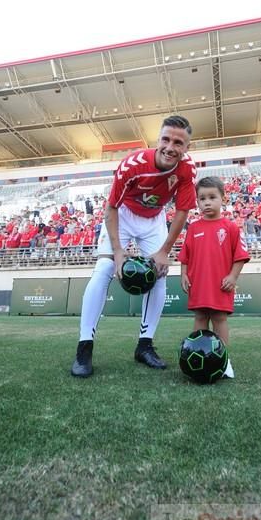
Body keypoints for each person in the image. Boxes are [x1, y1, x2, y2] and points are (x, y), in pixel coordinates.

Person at [71, 115, 197, 377]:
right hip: (124, 215)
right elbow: (111, 208)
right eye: (166, 139)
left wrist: (163, 251)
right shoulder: (132, 164)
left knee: (160, 274)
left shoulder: (187, 168)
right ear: (157, 139)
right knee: (104, 268)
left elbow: (183, 212)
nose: (170, 147)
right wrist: (118, 252)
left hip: (155, 218)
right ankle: (84, 347)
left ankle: (145, 345)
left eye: (178, 142)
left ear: (187, 147)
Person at [178, 176, 249, 379]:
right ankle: (197, 354)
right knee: (200, 317)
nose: (207, 202)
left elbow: (240, 256)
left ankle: (223, 360)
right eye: (202, 198)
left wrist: (233, 276)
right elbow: (185, 256)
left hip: (220, 285)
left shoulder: (231, 227)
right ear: (197, 202)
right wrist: (183, 274)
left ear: (223, 199)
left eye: (212, 197)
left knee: (219, 319)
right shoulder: (193, 228)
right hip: (198, 284)